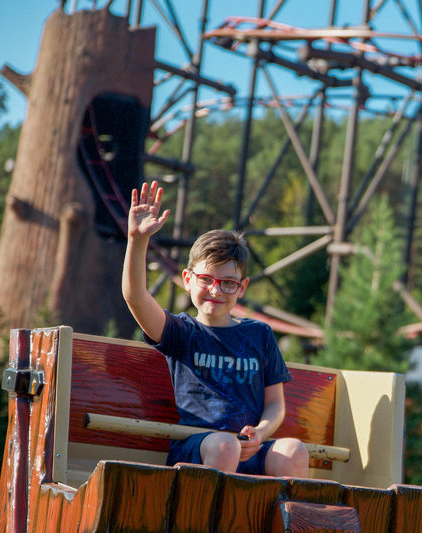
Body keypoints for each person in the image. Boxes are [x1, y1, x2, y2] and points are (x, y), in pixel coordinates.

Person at [122, 180, 309, 477]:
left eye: (228, 283)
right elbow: (135, 297)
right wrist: (137, 240)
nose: (216, 290)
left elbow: (275, 405)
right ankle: (210, 522)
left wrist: (260, 432)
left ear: (242, 288)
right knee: (224, 447)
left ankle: (281, 522)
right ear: (187, 279)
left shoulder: (259, 335)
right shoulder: (181, 332)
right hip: (199, 449)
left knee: (294, 451)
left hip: (250, 447)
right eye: (206, 279)